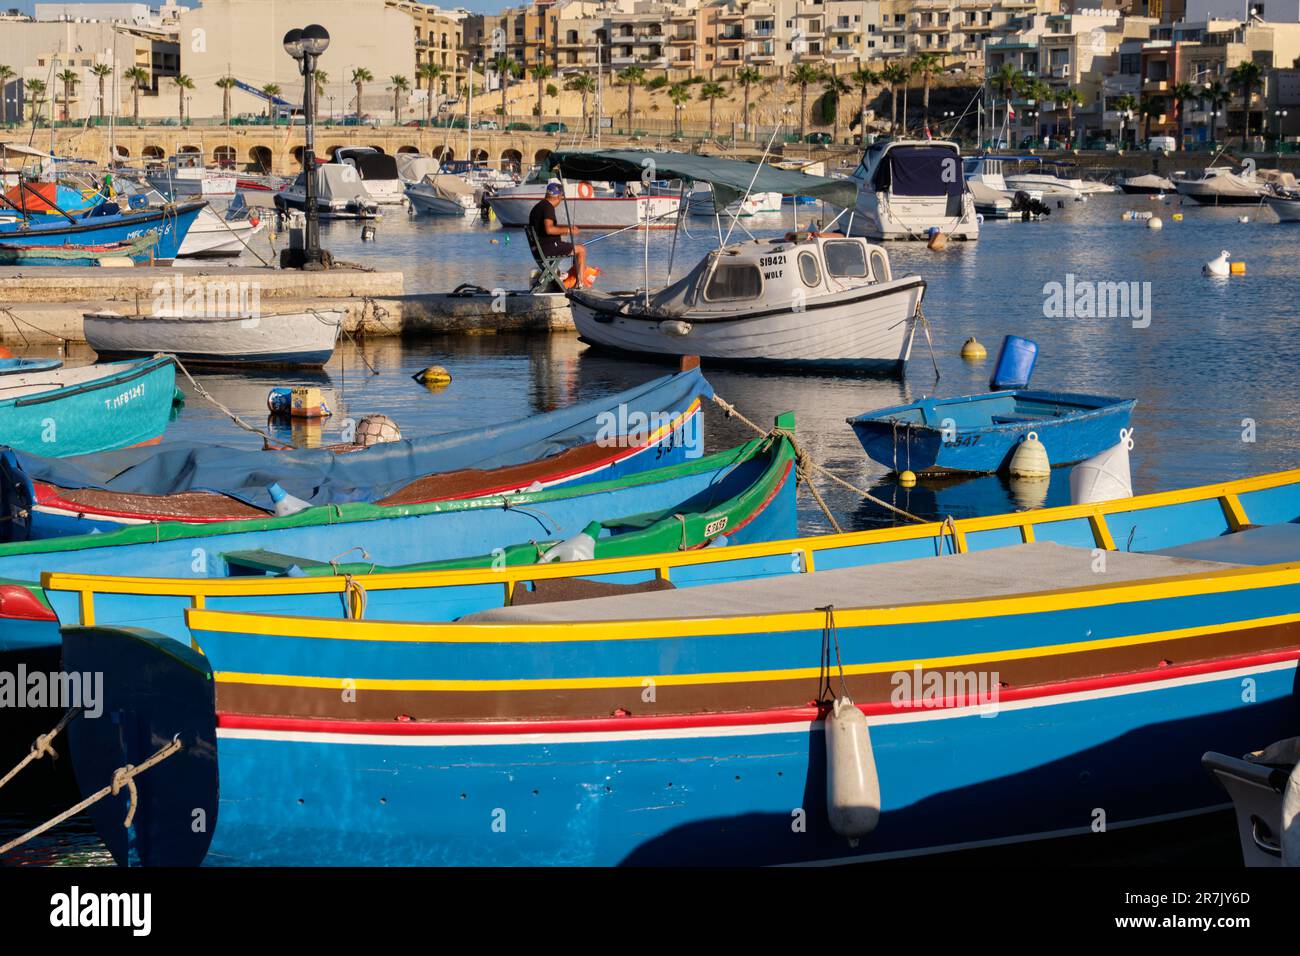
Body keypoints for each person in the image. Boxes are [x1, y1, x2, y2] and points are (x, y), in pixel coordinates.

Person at [528, 182, 588, 285]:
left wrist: (565, 230)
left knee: (576, 248)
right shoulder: (548, 207)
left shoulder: (538, 207)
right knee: (581, 250)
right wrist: (569, 230)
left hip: (539, 249)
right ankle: (580, 284)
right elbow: (549, 229)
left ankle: (568, 281)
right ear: (559, 196)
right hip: (547, 248)